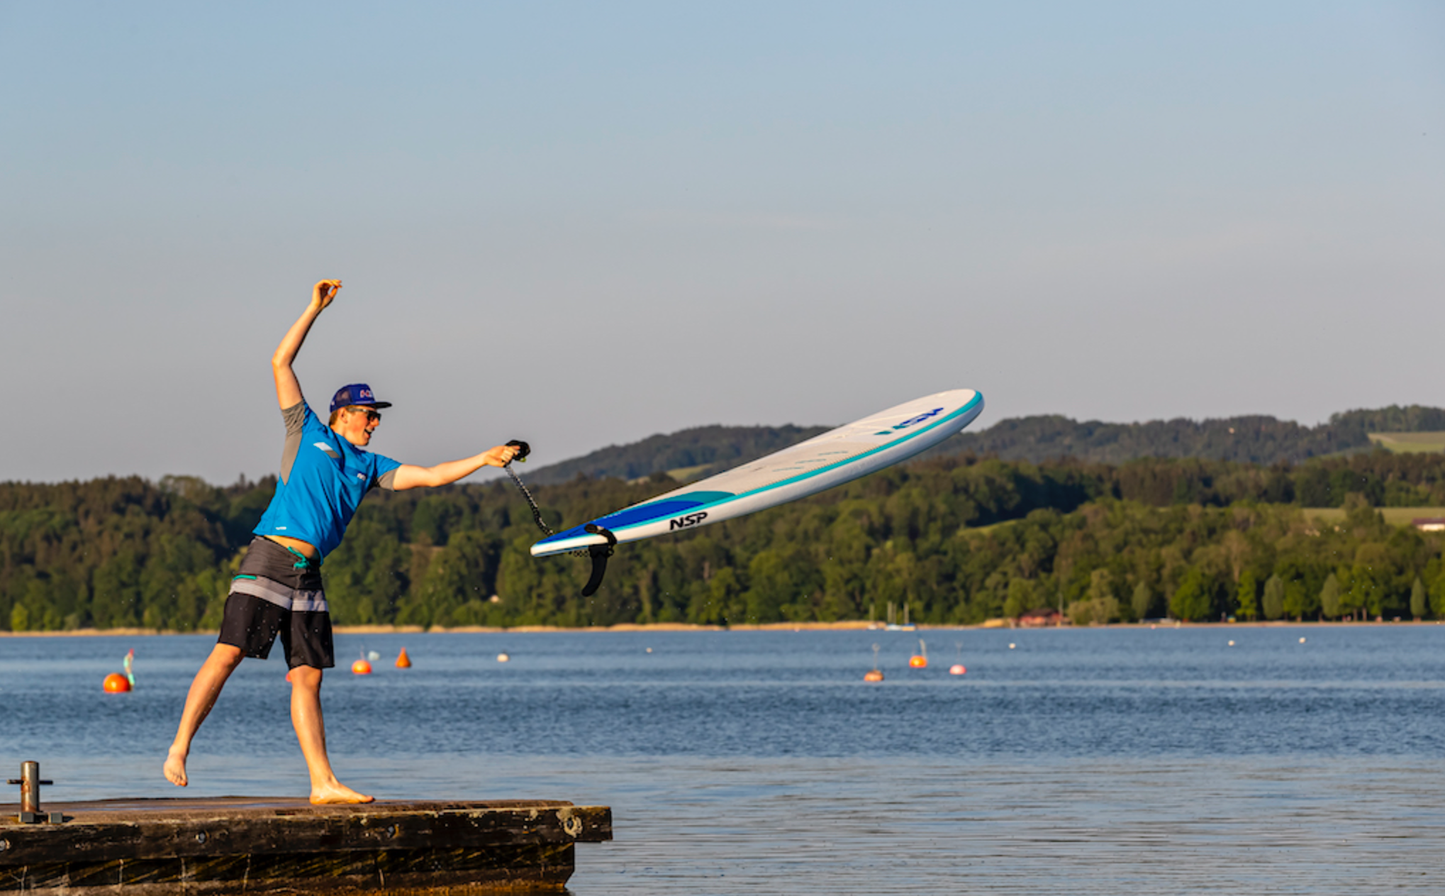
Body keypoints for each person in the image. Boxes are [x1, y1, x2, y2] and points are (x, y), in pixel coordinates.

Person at [163, 279, 521, 804]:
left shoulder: (371, 466)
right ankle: (179, 748)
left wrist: (484, 458)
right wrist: (314, 308)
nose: (376, 423)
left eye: (378, 416)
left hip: (309, 576)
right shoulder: (306, 429)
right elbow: (279, 364)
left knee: (307, 677)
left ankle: (322, 783)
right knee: (229, 653)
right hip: (270, 557)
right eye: (369, 414)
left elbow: (431, 475)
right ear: (343, 414)